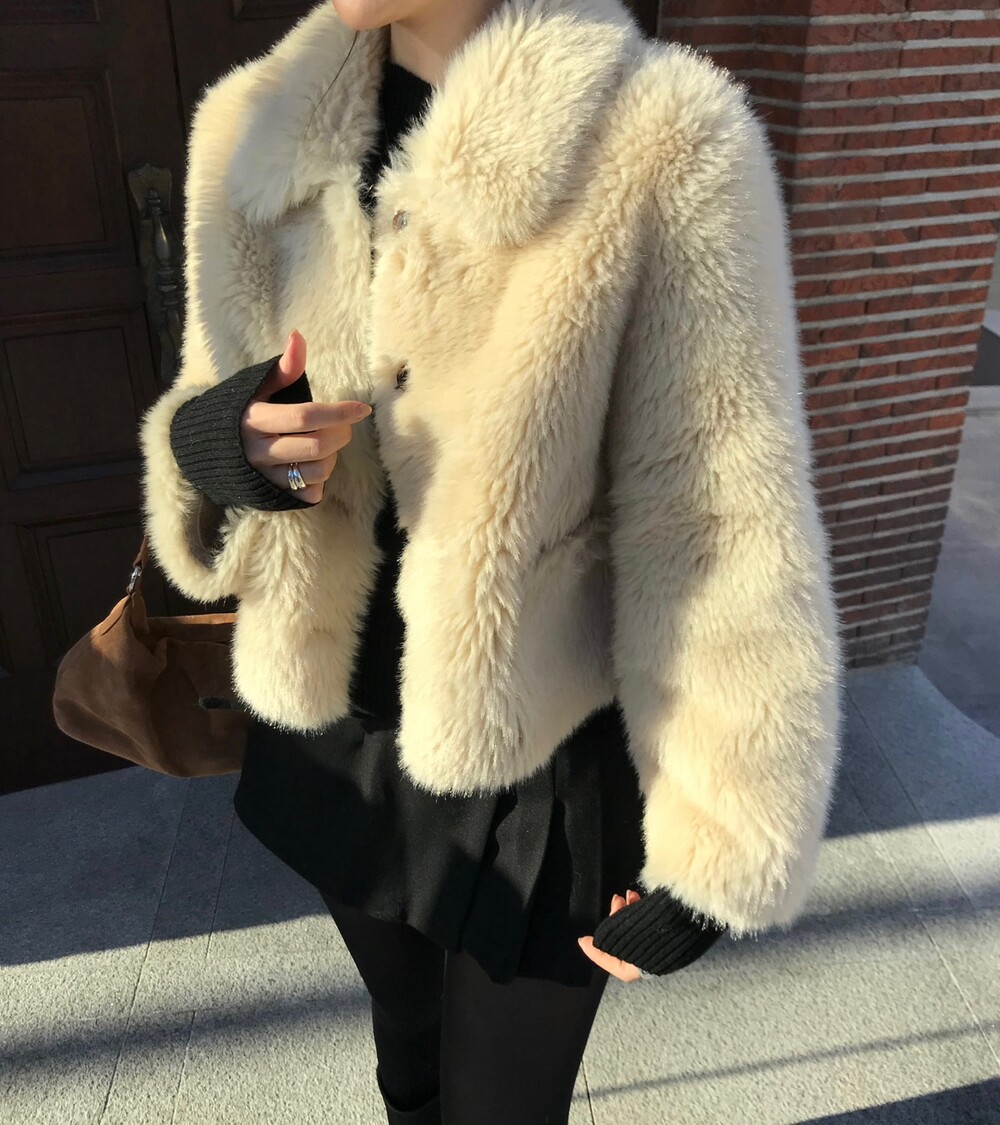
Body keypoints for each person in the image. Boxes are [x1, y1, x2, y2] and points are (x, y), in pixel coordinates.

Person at [137, 0, 844, 1121]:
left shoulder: (663, 135)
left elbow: (717, 514)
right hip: (336, 726)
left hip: (543, 753)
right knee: (407, 1052)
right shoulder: (253, 125)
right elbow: (198, 398)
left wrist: (722, 830)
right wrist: (219, 447)